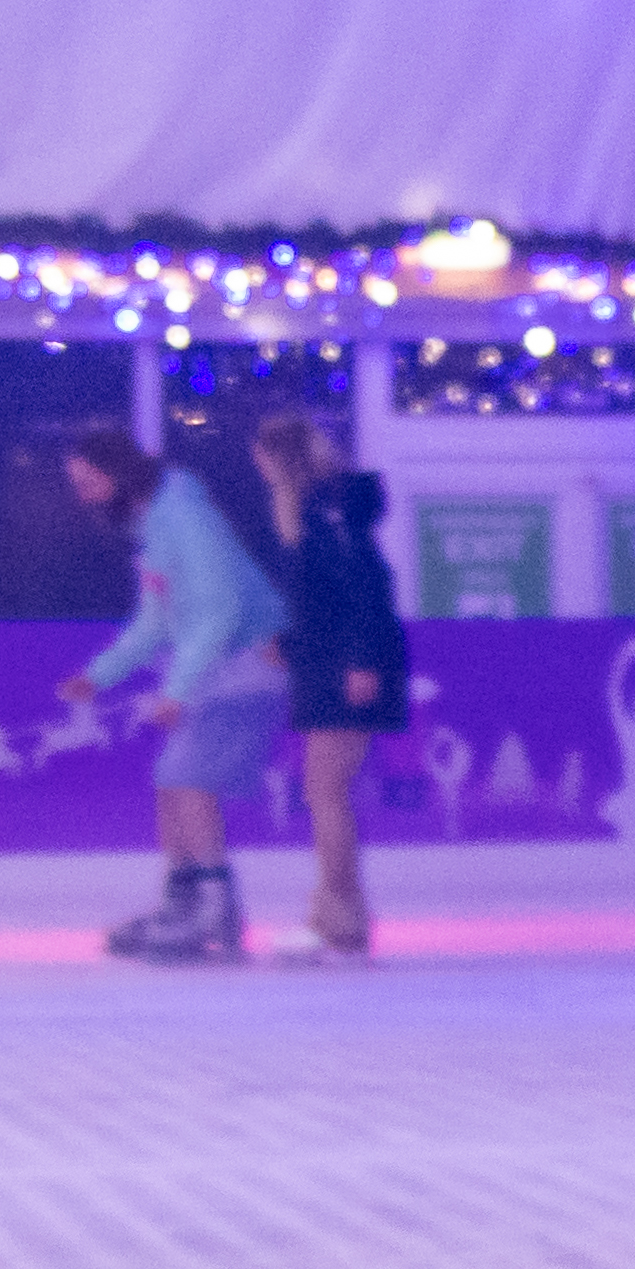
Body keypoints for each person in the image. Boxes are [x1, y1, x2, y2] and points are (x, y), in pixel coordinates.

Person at [57, 425, 294, 962]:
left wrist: (179, 690)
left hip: (248, 664)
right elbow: (155, 622)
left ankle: (211, 907)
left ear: (118, 473)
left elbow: (218, 609)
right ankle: (187, 902)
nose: (83, 492)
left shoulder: (183, 516)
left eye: (88, 479)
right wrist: (100, 674)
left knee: (186, 780)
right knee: (173, 782)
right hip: (219, 668)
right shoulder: (155, 524)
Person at [244, 410, 407, 963]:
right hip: (328, 664)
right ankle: (344, 920)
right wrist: (289, 645)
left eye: (263, 457)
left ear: (280, 459)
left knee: (325, 792)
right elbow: (322, 599)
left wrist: (362, 660)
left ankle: (337, 922)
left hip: (345, 670)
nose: (257, 468)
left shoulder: (325, 511)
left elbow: (365, 587)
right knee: (324, 793)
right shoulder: (315, 513)